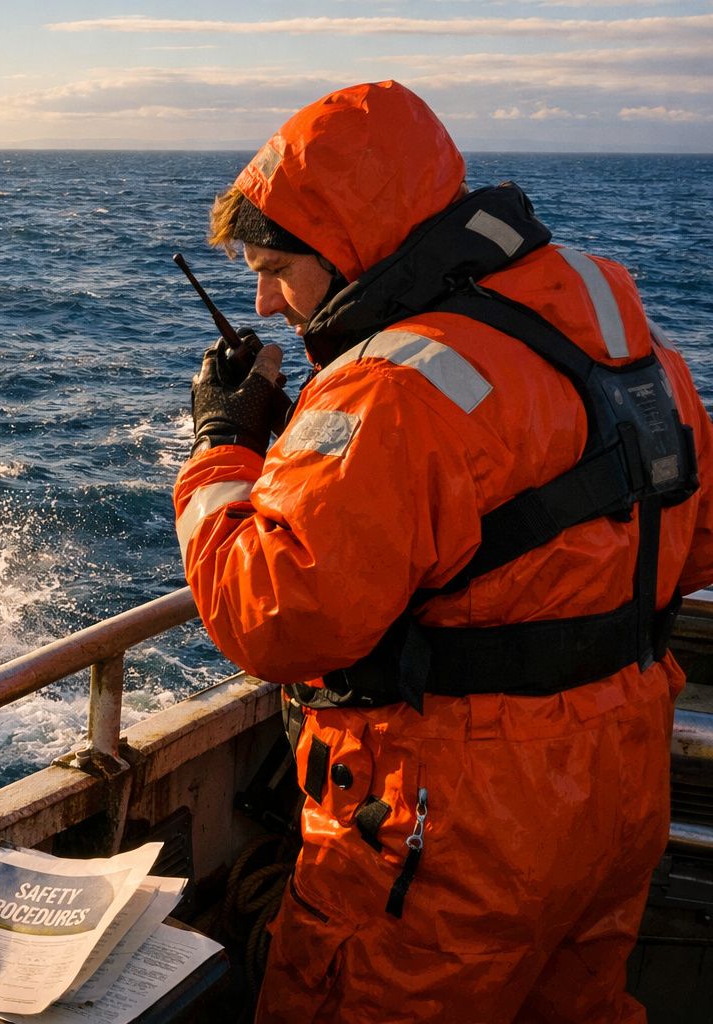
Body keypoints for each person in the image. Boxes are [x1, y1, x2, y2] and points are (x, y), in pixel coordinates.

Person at [173, 80, 713, 1022]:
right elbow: (694, 541)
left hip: (456, 829)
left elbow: (279, 618)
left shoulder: (386, 386)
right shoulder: (614, 320)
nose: (263, 302)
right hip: (619, 790)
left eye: (274, 268)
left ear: (348, 248)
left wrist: (223, 447)